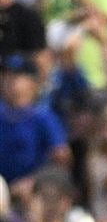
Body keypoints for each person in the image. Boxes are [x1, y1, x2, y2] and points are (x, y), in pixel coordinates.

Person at [0, 53, 70, 189]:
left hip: (34, 191)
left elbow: (62, 158)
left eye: (17, 76)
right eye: (6, 75)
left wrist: (33, 181)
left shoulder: (43, 116)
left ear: (32, 82)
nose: (10, 81)